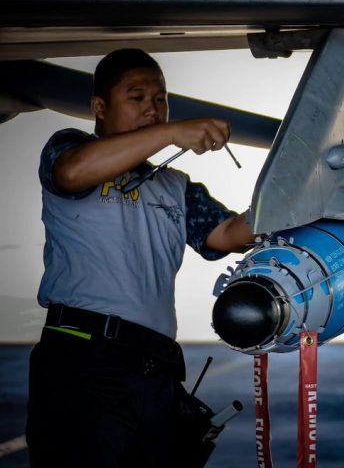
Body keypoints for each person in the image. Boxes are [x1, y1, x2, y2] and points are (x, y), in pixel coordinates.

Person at [26, 48, 255, 467]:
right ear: (99, 107)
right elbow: (71, 173)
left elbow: (226, 235)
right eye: (137, 98)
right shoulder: (69, 149)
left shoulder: (176, 184)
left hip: (154, 369)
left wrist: (294, 196)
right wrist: (171, 133)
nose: (154, 108)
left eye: (161, 99)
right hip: (84, 360)